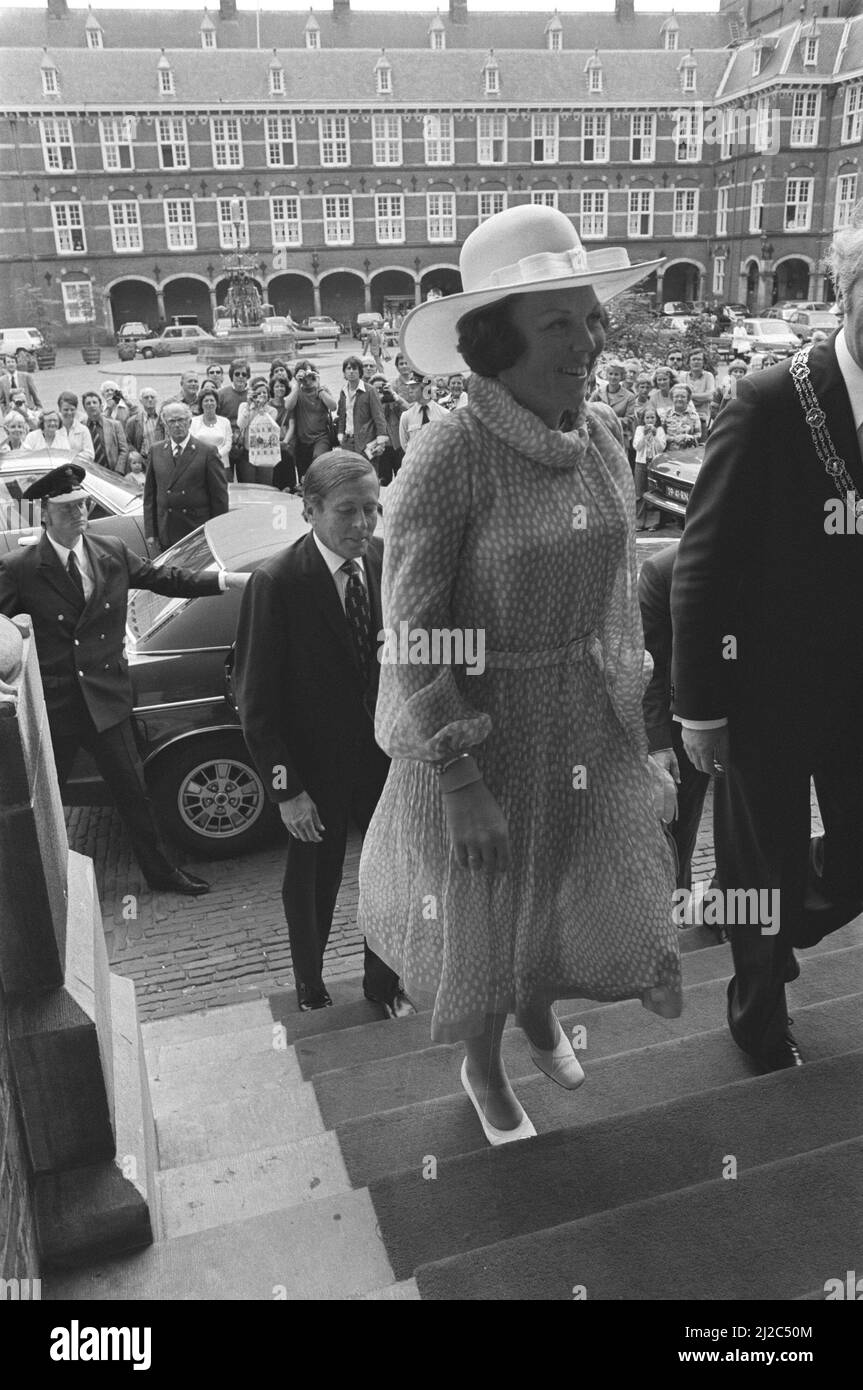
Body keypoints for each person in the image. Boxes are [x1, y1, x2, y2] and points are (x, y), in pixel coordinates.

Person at [357, 203, 680, 1145]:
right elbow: (409, 629)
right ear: (496, 342)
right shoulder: (446, 453)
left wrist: (636, 720)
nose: (587, 342)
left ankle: (538, 1005)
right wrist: (453, 774)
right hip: (481, 732)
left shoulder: (605, 433)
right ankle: (483, 1062)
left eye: (589, 318)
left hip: (580, 719)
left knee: (569, 881)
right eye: (557, 324)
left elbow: (618, 592)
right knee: (489, 907)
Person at [670, 201, 863, 1072]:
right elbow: (700, 564)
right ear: (847, 293)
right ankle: (756, 1013)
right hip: (764, 686)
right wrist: (698, 708)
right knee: (758, 861)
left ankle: (768, 927)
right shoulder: (767, 399)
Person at [0, 462, 249, 895]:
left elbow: (164, 578)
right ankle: (44, 885)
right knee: (48, 802)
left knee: (134, 792)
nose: (79, 514)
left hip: (108, 699)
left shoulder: (109, 550)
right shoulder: (20, 567)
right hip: (57, 703)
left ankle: (162, 873)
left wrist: (226, 579)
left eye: (82, 505)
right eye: (67, 508)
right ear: (46, 514)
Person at [233, 451, 414, 1019]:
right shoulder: (277, 582)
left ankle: (383, 985)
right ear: (310, 510)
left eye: (372, 509)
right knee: (314, 883)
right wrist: (287, 791)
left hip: (385, 763)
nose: (363, 524)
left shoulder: (388, 561)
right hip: (313, 774)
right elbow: (256, 704)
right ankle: (309, 985)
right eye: (348, 511)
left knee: (390, 876)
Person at [639, 543, 710, 892]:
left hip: (749, 718)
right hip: (681, 727)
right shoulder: (662, 571)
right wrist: (658, 744)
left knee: (750, 832)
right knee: (680, 826)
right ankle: (675, 904)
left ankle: (726, 910)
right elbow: (649, 665)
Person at [144, 402, 229, 552]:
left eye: (181, 420)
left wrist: (218, 532)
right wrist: (151, 532)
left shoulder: (207, 452)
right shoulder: (156, 451)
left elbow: (219, 497)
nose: (177, 425)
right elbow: (150, 495)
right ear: (165, 424)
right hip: (167, 530)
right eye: (172, 421)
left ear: (189, 422)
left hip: (195, 530)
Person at [285, 366, 337, 485]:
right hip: (302, 440)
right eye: (304, 378)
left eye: (311, 377)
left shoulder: (322, 390)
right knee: (304, 476)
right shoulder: (297, 392)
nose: (308, 381)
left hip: (321, 437)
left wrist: (319, 388)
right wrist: (297, 385)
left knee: (319, 461)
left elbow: (333, 406)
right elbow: (288, 406)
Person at [336, 355, 388, 462]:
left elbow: (379, 416)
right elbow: (342, 416)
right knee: (350, 473)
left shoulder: (370, 390)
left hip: (366, 440)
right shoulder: (343, 391)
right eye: (348, 369)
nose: (351, 371)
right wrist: (340, 434)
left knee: (367, 473)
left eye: (354, 369)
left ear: (360, 371)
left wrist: (381, 439)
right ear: (344, 372)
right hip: (347, 440)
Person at [398, 373, 449, 459]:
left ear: (425, 388)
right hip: (415, 463)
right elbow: (405, 444)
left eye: (413, 387)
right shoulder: (406, 416)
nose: (410, 391)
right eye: (409, 388)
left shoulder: (444, 414)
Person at [632, 405, 665, 531]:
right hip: (641, 463)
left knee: (653, 492)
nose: (650, 420)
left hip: (654, 463)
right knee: (639, 492)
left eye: (652, 417)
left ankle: (652, 522)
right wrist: (645, 436)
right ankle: (639, 521)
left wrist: (655, 435)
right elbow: (637, 447)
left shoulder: (660, 430)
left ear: (656, 419)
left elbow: (661, 448)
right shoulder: (640, 429)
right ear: (643, 419)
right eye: (647, 417)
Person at [81, 390, 130, 475]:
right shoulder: (81, 426)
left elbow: (124, 450)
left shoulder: (115, 425)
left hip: (113, 472)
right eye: (88, 403)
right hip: (90, 473)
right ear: (84, 408)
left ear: (101, 406)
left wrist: (118, 470)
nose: (92, 405)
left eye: (94, 402)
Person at [369, 373, 405, 485]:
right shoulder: (368, 403)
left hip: (397, 445)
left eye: (382, 389)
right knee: (384, 481)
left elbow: (408, 410)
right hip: (381, 448)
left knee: (402, 480)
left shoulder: (393, 400)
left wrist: (394, 395)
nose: (380, 392)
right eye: (376, 389)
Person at [190, 383, 232, 473]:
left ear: (217, 403)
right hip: (200, 464)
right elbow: (192, 442)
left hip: (222, 464)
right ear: (201, 404)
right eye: (206, 401)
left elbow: (228, 444)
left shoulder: (225, 422)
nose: (209, 403)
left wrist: (217, 455)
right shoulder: (193, 422)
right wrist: (205, 457)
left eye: (212, 400)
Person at [125, 387, 164, 474]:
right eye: (146, 397)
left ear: (157, 400)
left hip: (162, 460)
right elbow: (128, 442)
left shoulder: (164, 418)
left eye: (152, 397)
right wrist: (137, 458)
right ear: (141, 401)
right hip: (144, 462)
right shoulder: (133, 421)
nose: (150, 400)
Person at [681, 350, 715, 441]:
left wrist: (689, 396)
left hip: (702, 417)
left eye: (699, 359)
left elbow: (709, 397)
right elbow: (680, 397)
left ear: (704, 362)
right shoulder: (683, 376)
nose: (696, 362)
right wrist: (701, 397)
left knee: (702, 447)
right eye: (693, 359)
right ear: (688, 362)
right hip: (685, 418)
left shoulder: (709, 376)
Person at [55, 392, 94, 461]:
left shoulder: (83, 430)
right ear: (59, 409)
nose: (69, 413)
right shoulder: (54, 429)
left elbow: (90, 454)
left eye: (72, 409)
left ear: (76, 409)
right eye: (66, 410)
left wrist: (70, 458)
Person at [662, 383, 701, 447]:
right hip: (671, 451)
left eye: (683, 396)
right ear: (672, 398)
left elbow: (698, 434)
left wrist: (687, 437)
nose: (679, 399)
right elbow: (661, 435)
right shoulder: (666, 414)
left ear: (688, 399)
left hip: (690, 450)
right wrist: (674, 439)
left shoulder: (694, 415)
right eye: (676, 396)